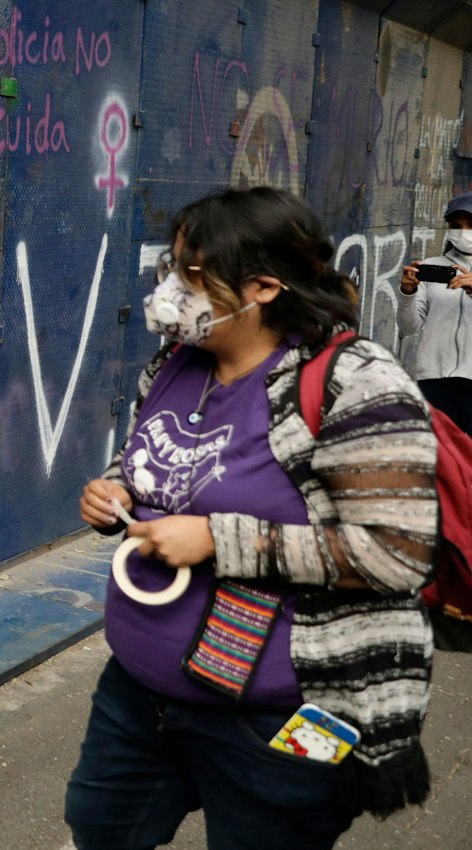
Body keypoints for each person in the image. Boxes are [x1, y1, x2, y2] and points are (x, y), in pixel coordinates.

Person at [68, 187, 438, 850]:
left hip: (272, 722)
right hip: (139, 697)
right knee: (99, 830)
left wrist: (216, 540)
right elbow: (158, 464)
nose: (172, 289)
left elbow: (396, 554)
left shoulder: (357, 382)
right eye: (173, 269)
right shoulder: (179, 362)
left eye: (192, 274)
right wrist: (115, 495)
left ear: (263, 287)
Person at [399, 192, 472, 435]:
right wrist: (407, 292)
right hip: (433, 382)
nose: (463, 233)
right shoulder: (433, 265)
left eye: (471, 226)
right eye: (456, 226)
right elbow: (409, 327)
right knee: (438, 459)